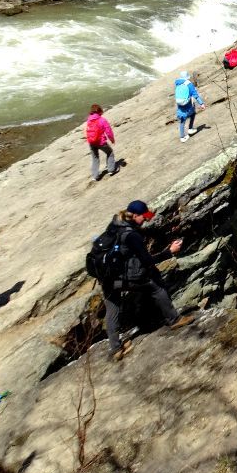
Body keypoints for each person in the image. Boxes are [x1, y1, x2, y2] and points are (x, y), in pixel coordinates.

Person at [99, 200, 182, 361]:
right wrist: (169, 252)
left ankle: (116, 348)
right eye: (143, 217)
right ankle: (174, 319)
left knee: (113, 307)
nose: (146, 220)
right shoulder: (132, 235)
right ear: (135, 215)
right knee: (155, 284)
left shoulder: (115, 224)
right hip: (122, 278)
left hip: (106, 277)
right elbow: (147, 260)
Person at [85, 104, 118, 182]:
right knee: (110, 152)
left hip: (91, 142)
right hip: (100, 142)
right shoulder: (102, 120)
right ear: (100, 111)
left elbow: (87, 130)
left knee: (95, 158)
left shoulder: (89, 119)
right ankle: (111, 170)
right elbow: (108, 131)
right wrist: (112, 139)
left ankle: (95, 176)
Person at [174, 70, 205, 142]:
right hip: (187, 104)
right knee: (193, 113)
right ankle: (190, 129)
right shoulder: (189, 84)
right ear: (187, 77)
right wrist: (201, 104)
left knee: (182, 120)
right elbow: (195, 96)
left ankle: (182, 137)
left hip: (179, 105)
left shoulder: (177, 83)